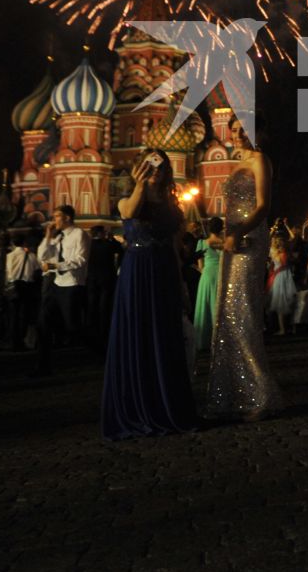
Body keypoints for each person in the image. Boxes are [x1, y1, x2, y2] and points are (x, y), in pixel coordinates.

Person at [101, 147, 198, 438]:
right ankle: (138, 408)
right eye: (149, 166)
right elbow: (129, 212)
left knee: (164, 337)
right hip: (137, 272)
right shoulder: (128, 200)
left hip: (164, 271)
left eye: (160, 167)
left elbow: (173, 245)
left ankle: (167, 405)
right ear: (138, 169)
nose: (156, 171)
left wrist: (180, 281)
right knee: (140, 334)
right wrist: (140, 183)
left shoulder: (172, 205)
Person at [205, 121, 288, 420]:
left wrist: (238, 233)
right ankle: (230, 394)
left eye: (245, 129)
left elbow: (263, 206)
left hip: (249, 239)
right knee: (227, 314)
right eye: (234, 128)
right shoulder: (238, 161)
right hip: (232, 240)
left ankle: (260, 396)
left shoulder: (259, 160)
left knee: (242, 312)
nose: (238, 134)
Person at [32, 205, 88, 377]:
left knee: (73, 327)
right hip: (56, 284)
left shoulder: (79, 234)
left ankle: (104, 352)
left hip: (72, 285)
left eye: (57, 216)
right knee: (43, 324)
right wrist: (48, 237)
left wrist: (55, 265)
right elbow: (42, 256)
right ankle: (43, 367)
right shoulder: (59, 238)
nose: (53, 220)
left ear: (68, 218)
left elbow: (81, 260)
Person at [192, 216, 224, 355]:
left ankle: (205, 339)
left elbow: (200, 266)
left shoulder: (202, 243)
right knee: (219, 306)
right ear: (221, 228)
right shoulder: (224, 243)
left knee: (205, 307)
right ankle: (220, 340)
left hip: (207, 275)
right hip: (221, 276)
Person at [4, 231, 41, 352]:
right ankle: (21, 340)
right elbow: (37, 270)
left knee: (12, 314)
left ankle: (12, 340)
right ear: (24, 242)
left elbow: (6, 273)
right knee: (24, 314)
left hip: (12, 286)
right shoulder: (31, 255)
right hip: (27, 286)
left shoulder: (9, 256)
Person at [267, 231, 297, 336]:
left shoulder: (272, 251)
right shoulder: (287, 251)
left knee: (279, 303)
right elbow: (293, 237)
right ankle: (292, 327)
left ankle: (282, 329)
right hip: (287, 276)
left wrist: (272, 230)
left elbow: (271, 264)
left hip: (278, 277)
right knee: (290, 302)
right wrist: (286, 226)